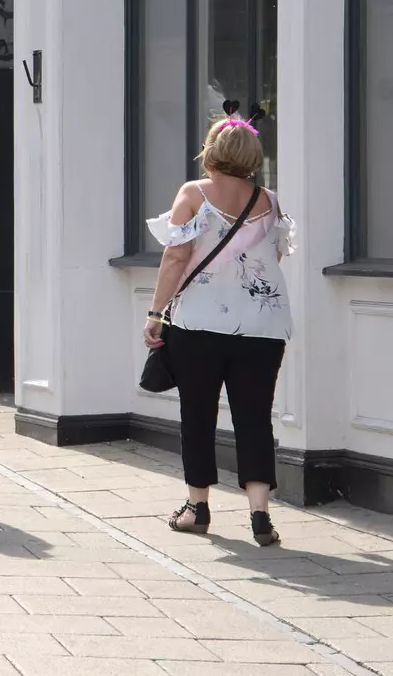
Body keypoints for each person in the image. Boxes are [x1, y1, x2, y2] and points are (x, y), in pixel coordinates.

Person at [143, 108, 294, 547]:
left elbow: (175, 257)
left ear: (210, 151)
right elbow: (273, 258)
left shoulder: (194, 193)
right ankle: (260, 515)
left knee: (198, 414)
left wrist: (156, 313)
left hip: (200, 324)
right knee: (254, 415)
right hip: (263, 327)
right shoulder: (269, 200)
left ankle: (197, 507)